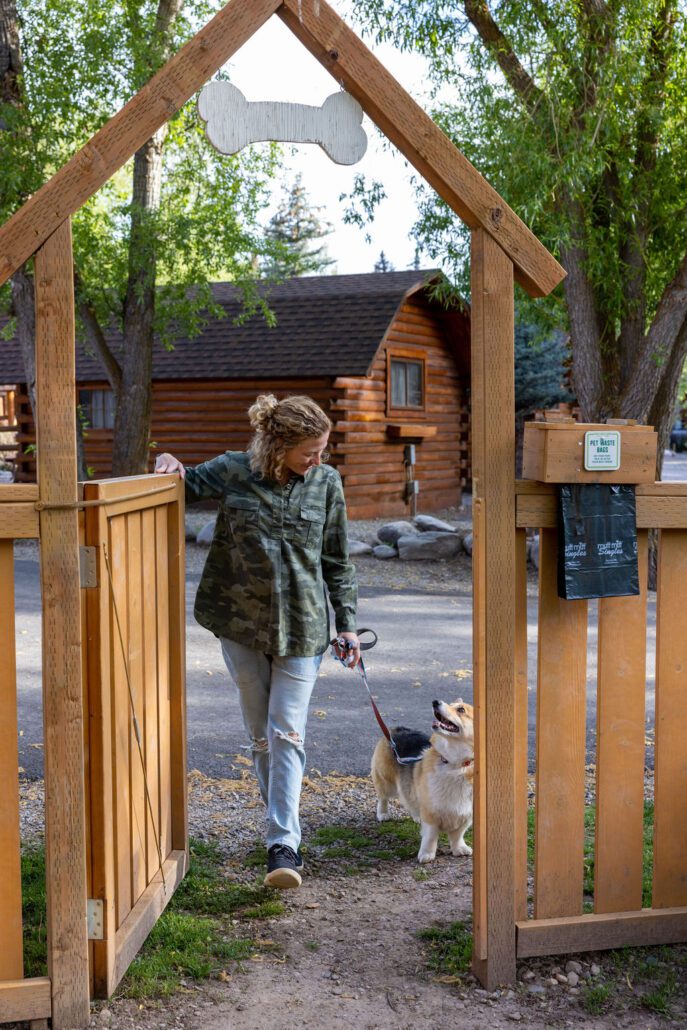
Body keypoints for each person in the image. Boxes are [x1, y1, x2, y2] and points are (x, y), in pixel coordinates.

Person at [155, 394, 359, 889]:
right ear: (278, 444)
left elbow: (337, 558)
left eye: (322, 449)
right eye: (309, 450)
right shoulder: (234, 471)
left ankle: (282, 844)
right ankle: (280, 828)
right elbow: (179, 486)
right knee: (262, 736)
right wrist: (167, 465)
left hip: (304, 627)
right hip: (240, 624)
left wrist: (347, 621)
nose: (318, 459)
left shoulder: (326, 484)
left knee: (286, 730)